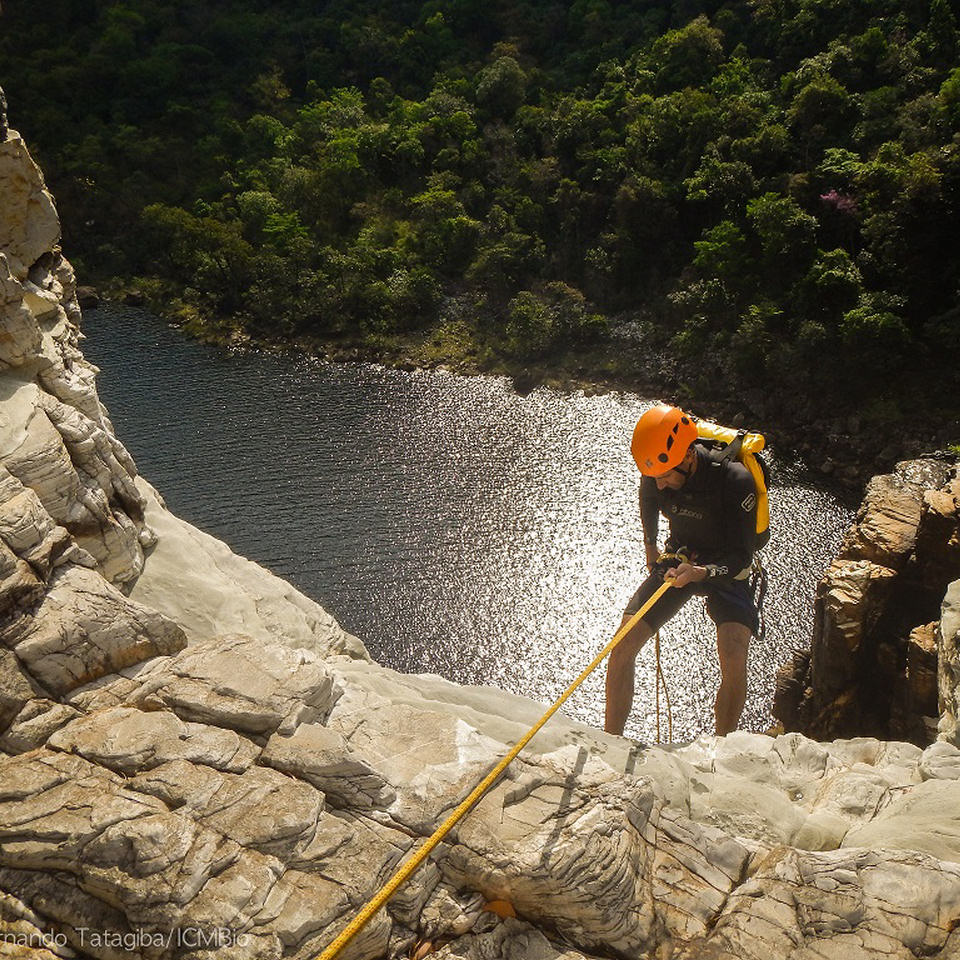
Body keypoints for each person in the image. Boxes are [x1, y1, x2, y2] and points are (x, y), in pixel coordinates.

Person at [604, 404, 760, 737]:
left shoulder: (735, 481)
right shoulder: (656, 469)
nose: (660, 486)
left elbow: (741, 558)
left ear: (689, 456)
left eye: (665, 477)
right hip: (680, 558)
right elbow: (648, 499)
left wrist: (701, 572)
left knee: (734, 660)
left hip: (727, 569)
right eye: (654, 477)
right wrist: (651, 546)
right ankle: (610, 741)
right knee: (621, 647)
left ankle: (722, 748)